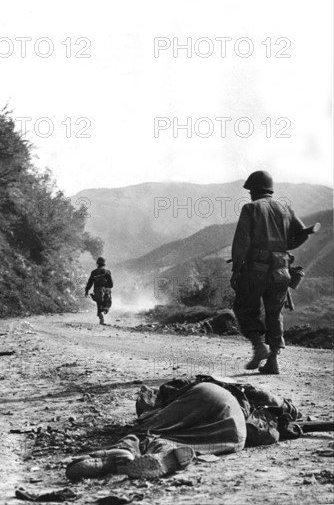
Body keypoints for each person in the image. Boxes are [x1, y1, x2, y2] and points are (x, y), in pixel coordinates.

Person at [65, 375, 300, 481]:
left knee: (145, 431)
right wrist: (293, 410)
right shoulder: (240, 388)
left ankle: (118, 454)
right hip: (236, 432)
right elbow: (276, 401)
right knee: (184, 440)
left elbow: (148, 415)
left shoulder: (179, 389)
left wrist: (147, 417)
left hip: (209, 395)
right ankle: (164, 456)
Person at [230, 171, 308, 374]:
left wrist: (236, 269)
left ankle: (259, 346)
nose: (249, 195)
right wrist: (282, 247)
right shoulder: (284, 208)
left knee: (244, 307)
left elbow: (242, 241)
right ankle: (273, 361)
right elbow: (302, 234)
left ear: (255, 190)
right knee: (275, 313)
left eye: (250, 191)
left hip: (256, 268)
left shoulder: (251, 208)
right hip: (282, 269)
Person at [85, 257, 113, 325]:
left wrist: (87, 290)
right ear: (104, 264)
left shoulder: (94, 272)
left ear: (97, 264)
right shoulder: (107, 272)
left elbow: (90, 282)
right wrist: (108, 288)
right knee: (107, 303)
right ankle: (104, 312)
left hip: (97, 290)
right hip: (106, 290)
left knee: (99, 304)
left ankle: (101, 317)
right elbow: (111, 284)